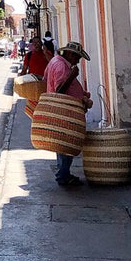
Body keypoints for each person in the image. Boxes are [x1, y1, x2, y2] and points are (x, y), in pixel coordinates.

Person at [44, 41, 93, 187]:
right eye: (77, 57)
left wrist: (82, 94)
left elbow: (45, 79)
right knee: (67, 144)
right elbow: (60, 90)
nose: (78, 61)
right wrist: (72, 76)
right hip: (65, 111)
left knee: (62, 144)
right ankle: (63, 176)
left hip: (62, 110)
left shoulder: (55, 61)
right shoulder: (61, 66)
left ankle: (64, 174)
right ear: (70, 54)